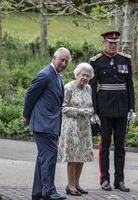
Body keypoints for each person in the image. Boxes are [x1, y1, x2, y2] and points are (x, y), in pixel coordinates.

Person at [89, 31, 136, 192]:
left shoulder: (125, 60)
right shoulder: (96, 61)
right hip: (104, 110)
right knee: (105, 146)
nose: (112, 45)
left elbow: (129, 86)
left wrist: (132, 108)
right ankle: (105, 180)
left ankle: (119, 180)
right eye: (110, 42)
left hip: (122, 109)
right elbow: (92, 88)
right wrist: (94, 111)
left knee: (120, 147)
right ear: (104, 43)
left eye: (115, 42)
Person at [23, 47, 71, 200]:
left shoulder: (57, 75)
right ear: (53, 59)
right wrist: (26, 116)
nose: (63, 63)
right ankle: (48, 191)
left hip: (50, 123)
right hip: (43, 124)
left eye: (66, 61)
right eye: (61, 60)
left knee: (43, 157)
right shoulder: (45, 75)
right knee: (49, 156)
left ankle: (38, 191)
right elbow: (30, 95)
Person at [58, 62, 94, 196]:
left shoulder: (88, 88)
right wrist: (79, 111)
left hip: (84, 126)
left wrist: (90, 110)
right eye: (83, 75)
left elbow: (90, 104)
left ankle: (77, 184)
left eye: (88, 76)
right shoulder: (68, 87)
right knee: (73, 156)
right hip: (71, 126)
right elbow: (63, 108)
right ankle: (70, 185)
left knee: (82, 155)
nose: (85, 78)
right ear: (77, 74)